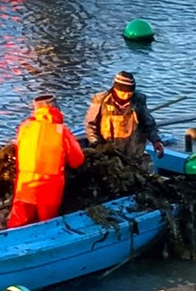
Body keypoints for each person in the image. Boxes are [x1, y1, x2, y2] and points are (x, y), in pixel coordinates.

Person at [8, 94, 85, 229]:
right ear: (57, 109)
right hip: (49, 189)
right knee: (47, 226)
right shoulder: (61, 131)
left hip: (25, 186)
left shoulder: (24, 127)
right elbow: (77, 160)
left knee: (17, 224)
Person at [84, 70, 164, 165]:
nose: (126, 96)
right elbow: (90, 125)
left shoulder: (138, 101)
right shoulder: (100, 100)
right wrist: (96, 143)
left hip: (133, 153)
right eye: (123, 92)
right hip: (108, 152)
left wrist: (156, 140)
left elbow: (148, 124)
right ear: (115, 89)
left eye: (129, 93)